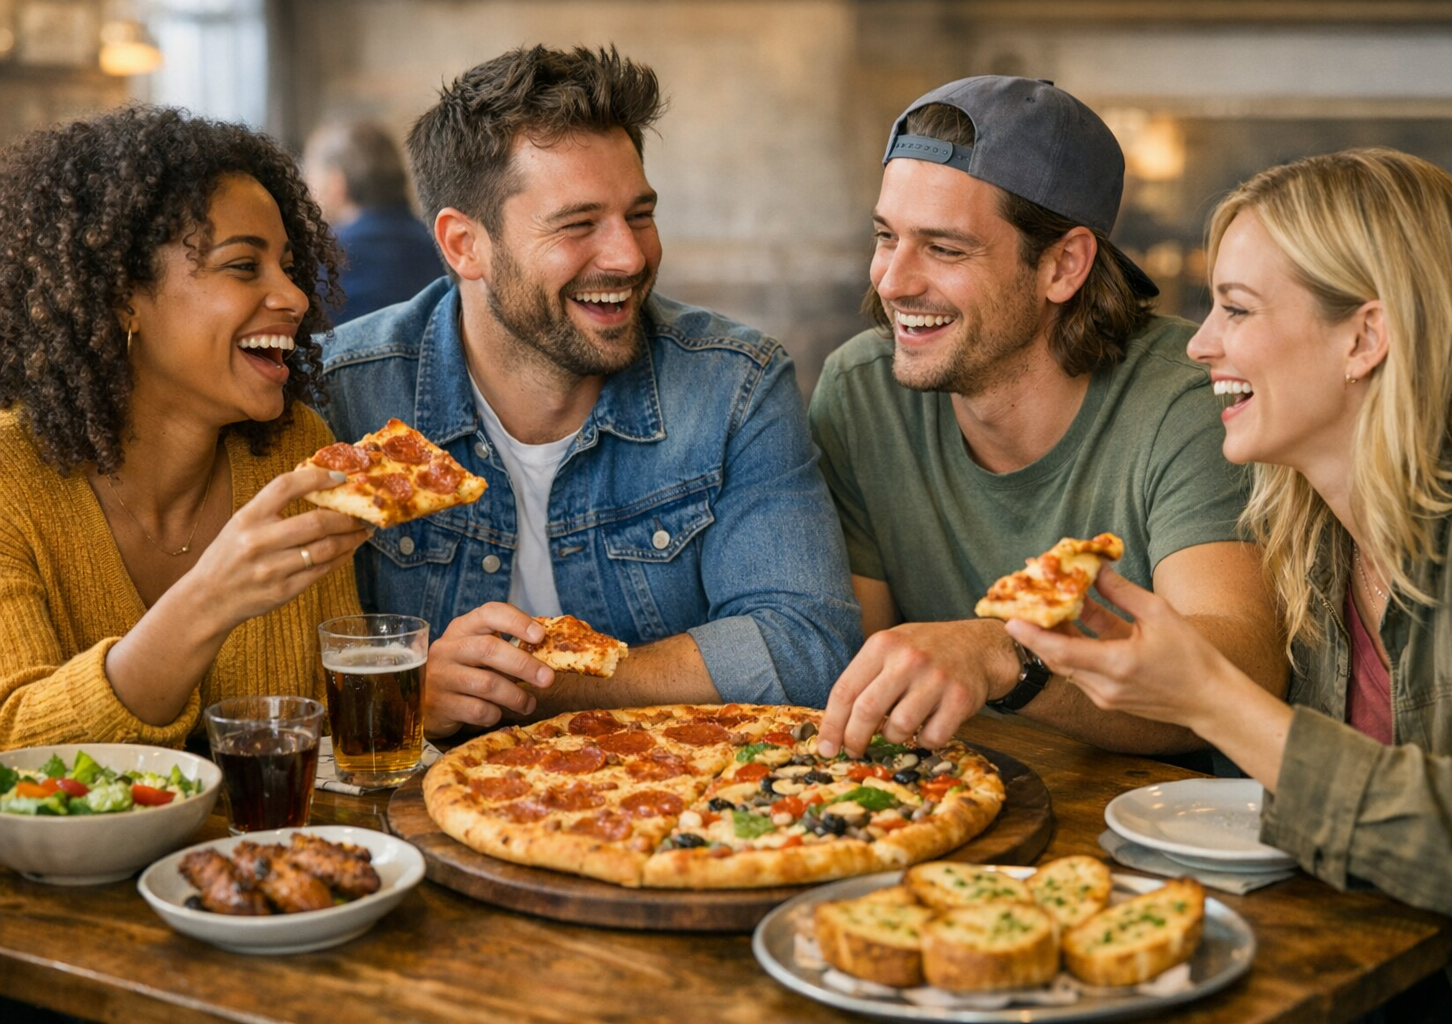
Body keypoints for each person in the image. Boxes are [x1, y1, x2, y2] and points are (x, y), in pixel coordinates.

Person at [1008, 149, 1452, 1024]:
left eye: (1236, 309)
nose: (1200, 341)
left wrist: (1210, 695)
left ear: (1365, 337)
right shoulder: (1315, 529)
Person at [320, 45, 862, 738]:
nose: (630, 257)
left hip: (670, 815)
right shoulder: (345, 395)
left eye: (639, 214)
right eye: (579, 225)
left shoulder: (736, 383)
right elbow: (271, 680)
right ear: (464, 245)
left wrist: (559, 684)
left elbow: (806, 644)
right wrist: (403, 693)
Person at [808, 77, 1288, 759]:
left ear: (1064, 266)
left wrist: (1008, 658)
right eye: (887, 236)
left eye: (944, 249)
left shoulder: (1187, 401)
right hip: (941, 809)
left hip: (1155, 832)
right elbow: (855, 670)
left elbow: (1244, 671)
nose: (891, 280)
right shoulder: (861, 392)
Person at [0, 106, 370, 749]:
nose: (295, 297)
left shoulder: (294, 452)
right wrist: (209, 599)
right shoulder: (11, 479)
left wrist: (423, 687)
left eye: (287, 265)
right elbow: (15, 746)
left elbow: (341, 727)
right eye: (243, 266)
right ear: (123, 297)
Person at [303, 120, 443, 324]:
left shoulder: (322, 258)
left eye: (311, 178)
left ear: (336, 184)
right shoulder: (442, 246)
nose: (307, 190)